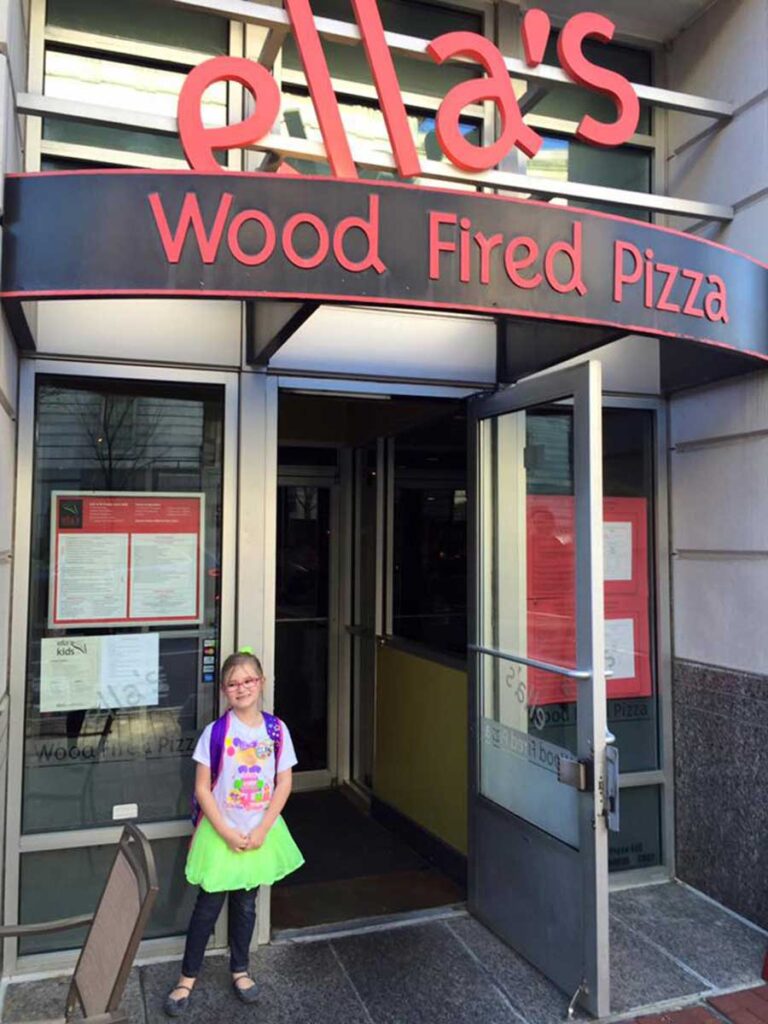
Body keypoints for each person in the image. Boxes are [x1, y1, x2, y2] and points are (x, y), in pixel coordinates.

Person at [164, 650, 304, 1015]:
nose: (241, 688)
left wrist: (263, 828)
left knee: (246, 905)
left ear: (261, 683)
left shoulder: (276, 729)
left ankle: (240, 969)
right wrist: (225, 832)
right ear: (224, 690)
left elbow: (284, 781)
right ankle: (187, 978)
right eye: (233, 683)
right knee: (207, 907)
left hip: (260, 832)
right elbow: (202, 789)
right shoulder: (216, 732)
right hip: (221, 832)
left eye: (248, 680)